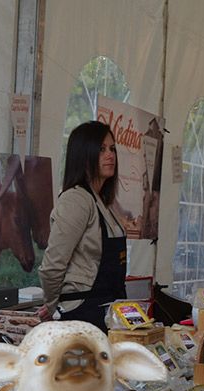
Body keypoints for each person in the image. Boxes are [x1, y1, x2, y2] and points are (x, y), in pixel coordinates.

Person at [37, 121, 126, 330]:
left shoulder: (103, 203)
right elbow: (52, 265)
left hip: (109, 308)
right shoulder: (76, 200)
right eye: (101, 149)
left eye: (112, 149)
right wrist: (52, 305)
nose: (110, 155)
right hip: (84, 312)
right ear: (83, 155)